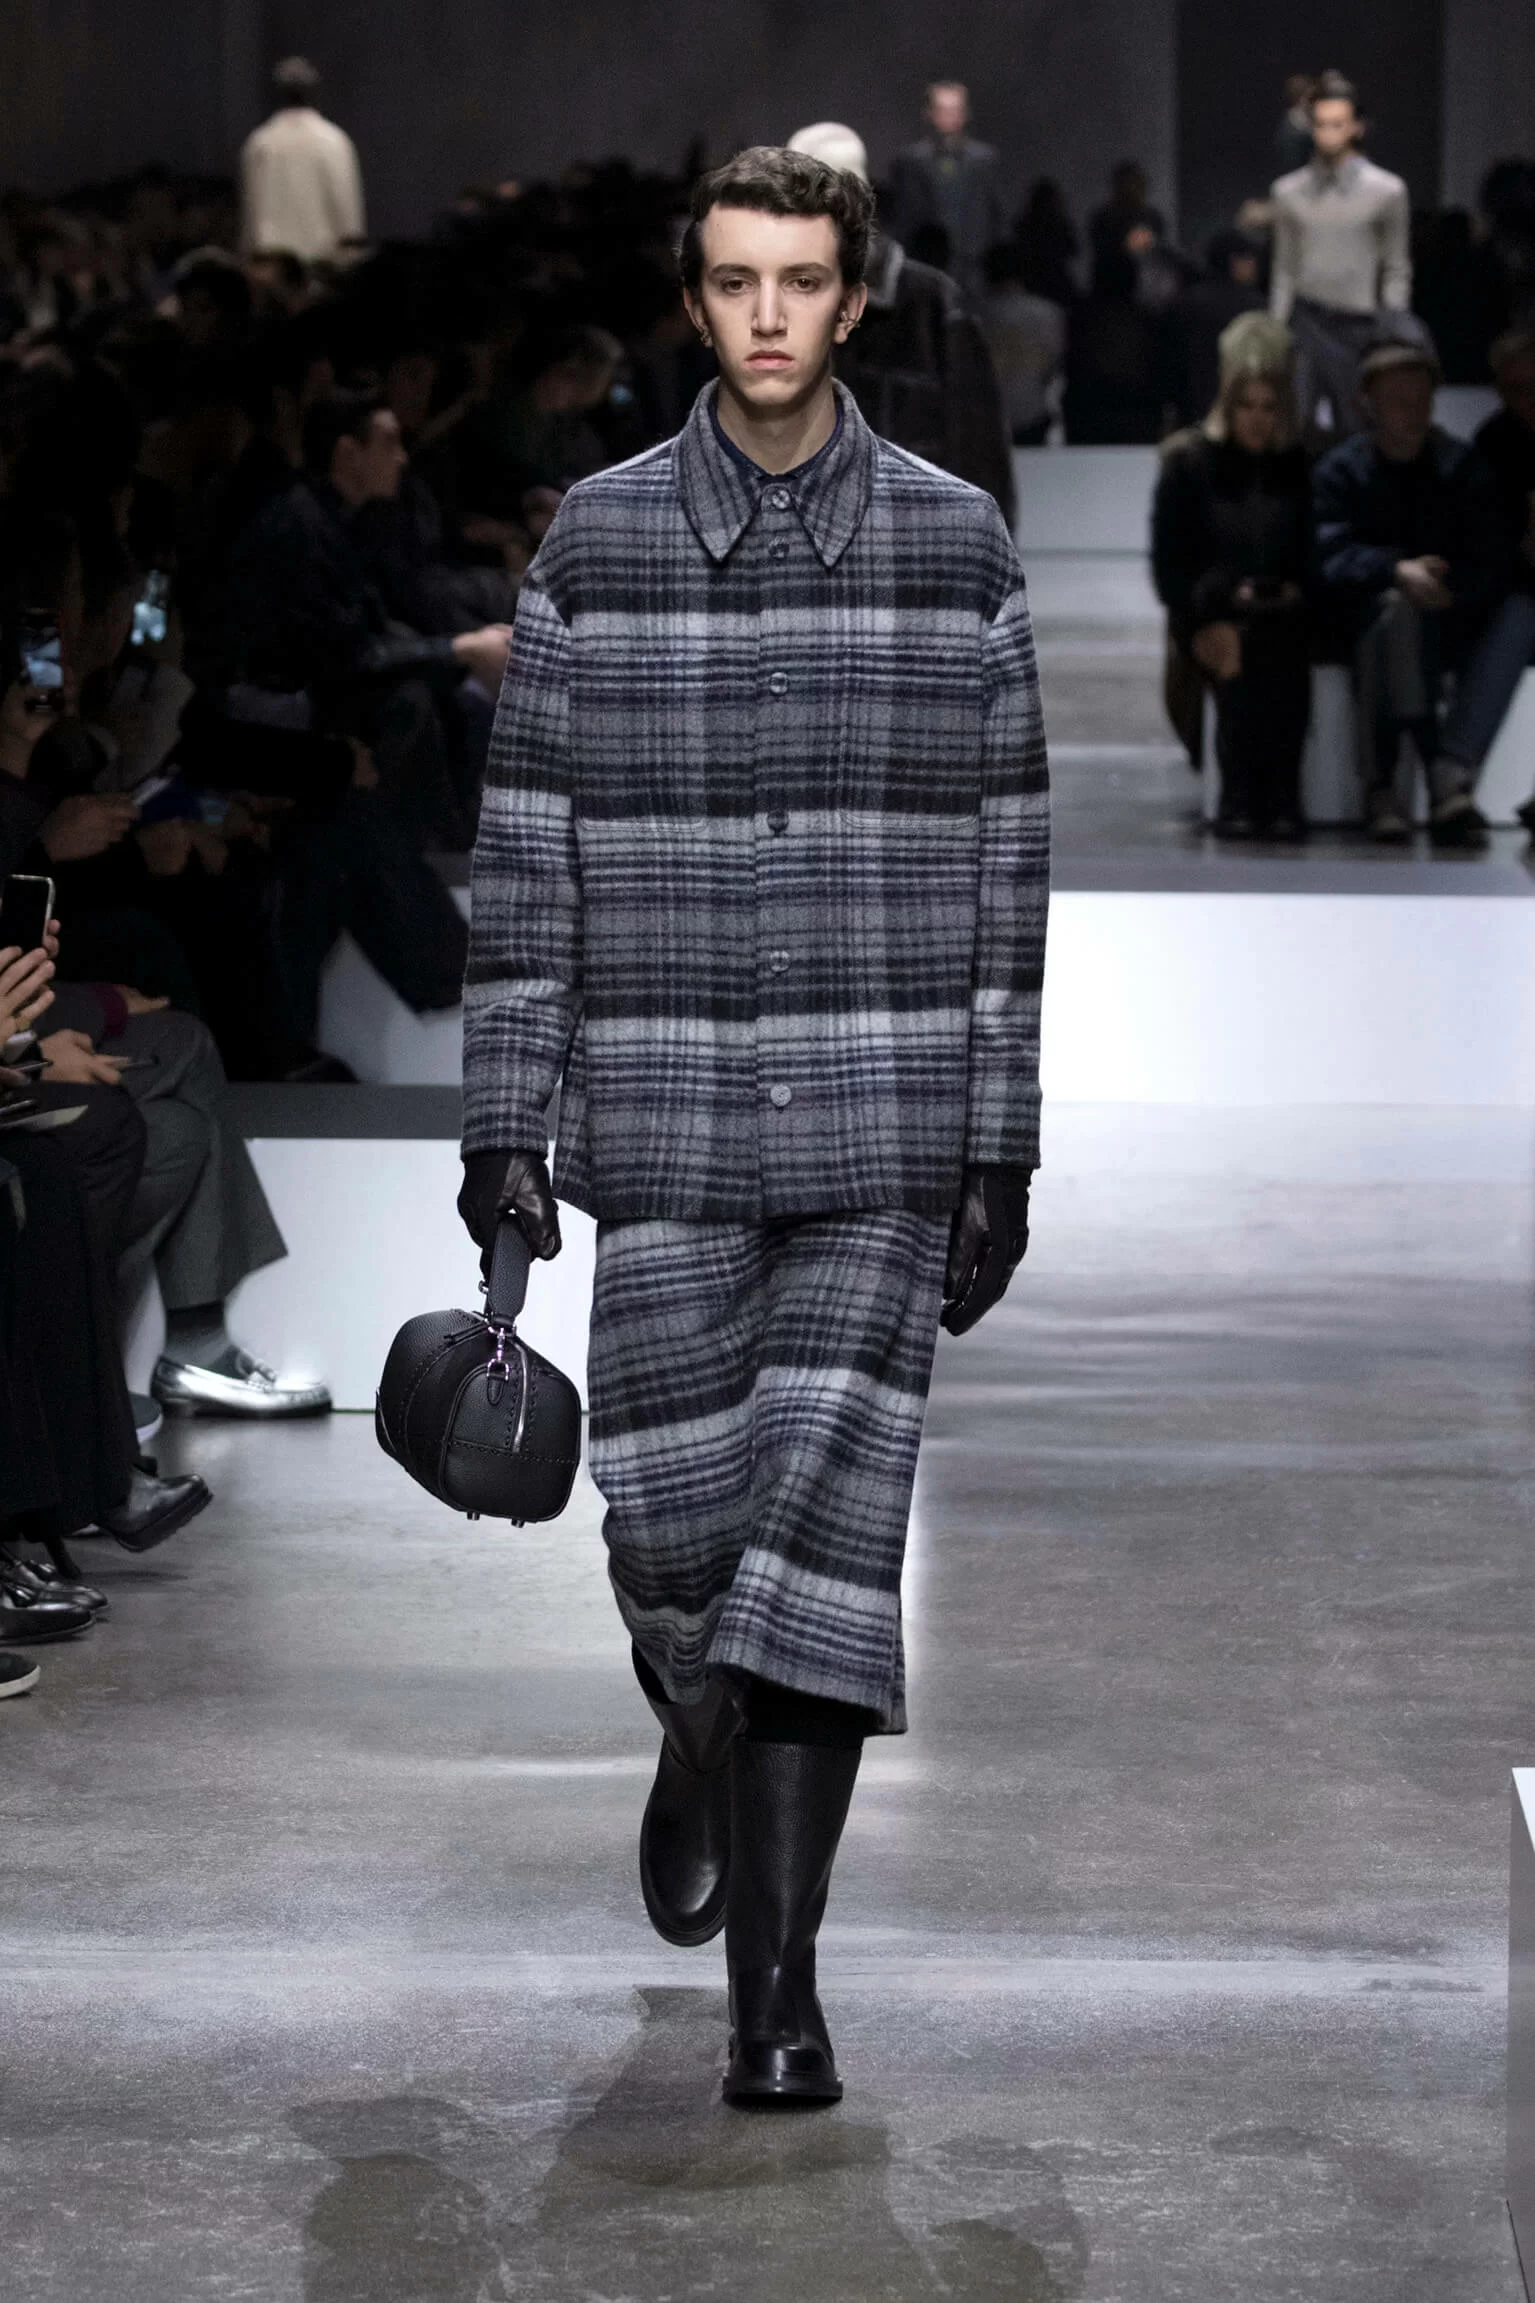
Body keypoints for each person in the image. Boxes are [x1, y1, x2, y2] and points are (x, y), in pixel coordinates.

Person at [458, 146, 1047, 2107]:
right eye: (734, 281)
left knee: (828, 1545)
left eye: (802, 279)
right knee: (670, 1534)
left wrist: (999, 1138)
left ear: (852, 298)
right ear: (694, 299)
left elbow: (1008, 861)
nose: (769, 313)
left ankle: (775, 1994)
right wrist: (504, 1117)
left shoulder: (953, 543)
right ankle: (694, 1711)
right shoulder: (601, 543)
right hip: (668, 1125)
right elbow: (526, 849)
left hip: (880, 1126)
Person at [1314, 339, 1508, 844]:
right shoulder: (1341, 472)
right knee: (1396, 615)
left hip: (1443, 620)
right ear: (1368, 404)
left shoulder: (1460, 468)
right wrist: (1395, 571)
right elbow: (1326, 557)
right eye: (1399, 400)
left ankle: (1381, 787)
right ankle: (1437, 773)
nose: (1414, 412)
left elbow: (1489, 556)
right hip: (1359, 616)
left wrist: (1450, 590)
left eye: (1422, 399)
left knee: (1401, 622)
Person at [785, 123, 1015, 516]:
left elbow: (979, 453)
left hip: (908, 541)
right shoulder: (769, 307)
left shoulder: (933, 304)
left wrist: (981, 545)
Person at [1152, 317, 1313, 837]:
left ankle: (1279, 796)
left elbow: (1311, 550)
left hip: (1284, 612)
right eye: (1247, 406)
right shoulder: (1189, 464)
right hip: (1210, 610)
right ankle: (1242, 794)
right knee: (1236, 646)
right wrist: (1213, 601)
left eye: (1270, 407)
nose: (1259, 420)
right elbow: (1171, 566)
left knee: (1282, 647)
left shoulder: (1298, 466)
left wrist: (1291, 587)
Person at [1270, 71, 1419, 436]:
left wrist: (1392, 332)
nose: (1328, 134)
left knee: (1359, 432)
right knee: (1294, 432)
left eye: (1338, 124)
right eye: (1320, 124)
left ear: (1357, 127)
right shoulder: (1288, 192)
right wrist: (1276, 333)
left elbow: (1396, 267)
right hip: (1306, 323)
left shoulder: (1387, 191)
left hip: (1361, 328)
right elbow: (1284, 269)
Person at [1469, 328, 1535, 837]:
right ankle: (1455, 768)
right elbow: (1486, 539)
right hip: (1513, 585)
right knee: (1517, 615)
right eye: (1512, 390)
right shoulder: (1493, 444)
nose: (1524, 401)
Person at [239, 58, 366, 268]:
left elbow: (251, 213)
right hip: (322, 261)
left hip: (274, 264)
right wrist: (352, 259)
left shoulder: (261, 142)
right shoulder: (333, 141)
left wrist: (250, 259)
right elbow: (346, 210)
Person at [889, 82, 1004, 301]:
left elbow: (994, 214)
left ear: (966, 113)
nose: (949, 117)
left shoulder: (984, 161)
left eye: (955, 109)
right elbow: (903, 218)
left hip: (975, 267)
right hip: (924, 264)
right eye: (942, 109)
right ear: (929, 113)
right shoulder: (909, 162)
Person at [1163, 229, 1266, 431]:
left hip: (1190, 409)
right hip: (1241, 411)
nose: (1254, 266)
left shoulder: (1184, 303)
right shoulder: (1256, 308)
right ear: (1234, 261)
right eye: (1249, 259)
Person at [979, 240, 1065, 445]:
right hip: (1031, 412)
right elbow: (1052, 365)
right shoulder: (1047, 313)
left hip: (986, 414)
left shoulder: (971, 314)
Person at [1275, 75, 1317, 178]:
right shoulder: (1294, 125)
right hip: (1297, 175)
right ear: (1303, 98)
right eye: (1312, 98)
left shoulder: (1301, 119)